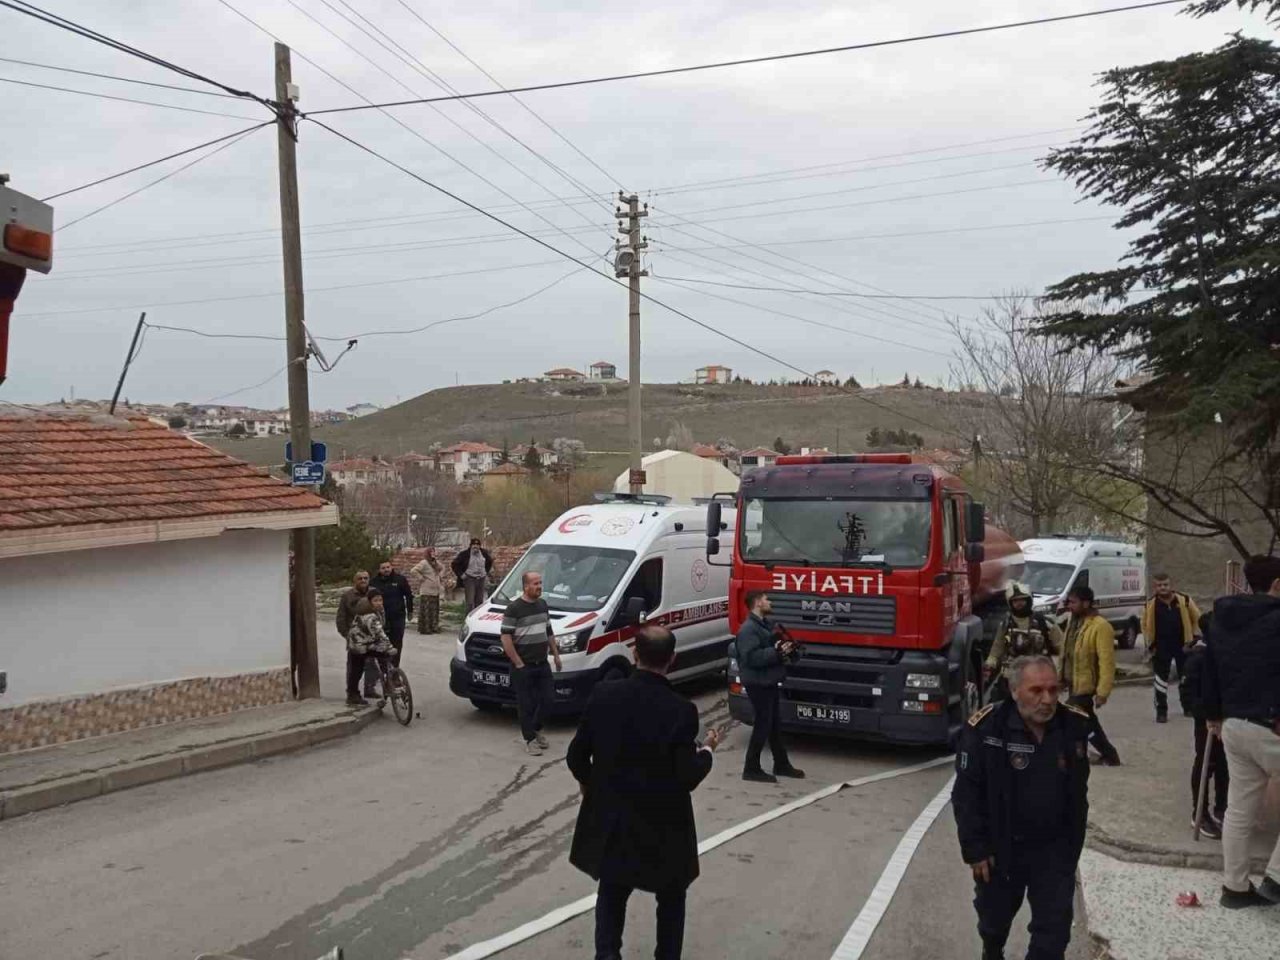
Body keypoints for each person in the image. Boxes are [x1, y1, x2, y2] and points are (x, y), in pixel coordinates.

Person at [567, 624, 722, 960]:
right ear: (672, 659)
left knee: (612, 890)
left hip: (614, 818)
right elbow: (687, 775)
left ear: (634, 654)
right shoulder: (681, 710)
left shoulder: (604, 695)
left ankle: (607, 955)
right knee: (671, 896)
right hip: (664, 822)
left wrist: (593, 788)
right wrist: (707, 752)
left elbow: (576, 756)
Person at [953, 656, 1092, 960]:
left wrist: (1071, 851)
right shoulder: (986, 729)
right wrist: (975, 849)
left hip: (1054, 849)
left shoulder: (1074, 725)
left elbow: (1078, 793)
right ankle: (992, 950)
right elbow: (966, 794)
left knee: (1054, 932)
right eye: (1037, 690)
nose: (1048, 699)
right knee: (994, 919)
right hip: (1001, 848)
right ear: (1015, 690)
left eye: (1053, 690)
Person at [1203, 554, 1280, 909]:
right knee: (1240, 808)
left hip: (1233, 725)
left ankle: (1234, 888)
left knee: (1239, 809)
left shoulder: (1221, 620)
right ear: (1277, 584)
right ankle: (1276, 879)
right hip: (1271, 724)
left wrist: (1213, 716)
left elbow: (1209, 669)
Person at [735, 590, 805, 783]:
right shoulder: (749, 629)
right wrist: (776, 652)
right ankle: (751, 768)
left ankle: (781, 764)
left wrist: (784, 649)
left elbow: (768, 648)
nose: (770, 602)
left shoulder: (763, 625)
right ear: (758, 603)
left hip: (768, 680)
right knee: (763, 724)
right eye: (766, 599)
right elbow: (751, 657)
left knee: (773, 725)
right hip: (758, 683)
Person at [500, 570, 562, 756]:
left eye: (540, 583)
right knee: (526, 704)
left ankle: (536, 729)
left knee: (549, 699)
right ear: (525, 586)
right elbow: (506, 638)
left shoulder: (542, 605)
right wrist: (518, 663)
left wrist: (556, 655)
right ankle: (529, 739)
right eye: (535, 583)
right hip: (523, 665)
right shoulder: (514, 609)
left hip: (541, 663)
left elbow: (549, 631)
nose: (539, 587)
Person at [1060, 585, 1121, 766]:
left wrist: (1103, 692)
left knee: (1072, 716)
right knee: (1086, 722)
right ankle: (1108, 754)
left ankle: (1081, 753)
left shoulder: (1101, 626)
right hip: (1074, 683)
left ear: (1086, 603)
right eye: (1068, 602)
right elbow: (1066, 652)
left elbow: (1107, 662)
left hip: (1086, 685)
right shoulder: (1073, 622)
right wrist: (1060, 678)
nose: (1069, 606)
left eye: (1073, 602)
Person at [1183, 612, 1228, 840]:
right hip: (1207, 722)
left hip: (1226, 718)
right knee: (1205, 763)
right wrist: (1207, 715)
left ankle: (1222, 808)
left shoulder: (1222, 653)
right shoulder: (1198, 658)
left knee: (1224, 765)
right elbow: (1189, 696)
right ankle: (1199, 812)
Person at [984, 582, 1063, 702]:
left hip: (1038, 677)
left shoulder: (1044, 623)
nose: (1019, 603)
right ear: (1010, 603)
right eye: (1015, 601)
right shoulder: (1006, 625)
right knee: (1001, 709)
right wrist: (989, 666)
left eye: (1022, 600)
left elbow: (1062, 648)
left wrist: (1061, 674)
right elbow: (996, 649)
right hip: (1011, 678)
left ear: (1028, 600)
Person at [1141, 574, 1203, 722]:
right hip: (1161, 646)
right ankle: (1161, 711)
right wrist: (1150, 644)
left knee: (1185, 677)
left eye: (1165, 585)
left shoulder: (1184, 600)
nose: (1163, 588)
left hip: (1183, 646)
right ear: (1155, 587)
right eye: (1159, 585)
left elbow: (1198, 618)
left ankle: (1188, 707)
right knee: (1160, 680)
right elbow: (1144, 625)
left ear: (1171, 585)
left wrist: (1194, 639)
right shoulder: (1150, 605)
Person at [345, 590, 398, 706]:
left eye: (380, 600)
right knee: (357, 670)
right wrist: (389, 647)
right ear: (369, 602)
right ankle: (352, 695)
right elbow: (380, 633)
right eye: (375, 601)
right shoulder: (369, 615)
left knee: (384, 657)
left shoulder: (378, 611)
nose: (379, 603)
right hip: (358, 644)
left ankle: (387, 681)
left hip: (368, 641)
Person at [336, 570, 373, 704]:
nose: (363, 581)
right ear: (354, 581)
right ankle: (352, 694)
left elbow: (381, 611)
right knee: (355, 667)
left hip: (373, 634)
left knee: (376, 664)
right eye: (360, 578)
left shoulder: (374, 593)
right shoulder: (348, 596)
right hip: (356, 637)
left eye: (366, 578)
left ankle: (371, 688)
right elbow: (341, 618)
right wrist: (347, 635)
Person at [452, 537, 494, 613]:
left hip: (481, 579)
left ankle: (477, 616)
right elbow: (454, 564)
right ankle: (468, 616)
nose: (476, 546)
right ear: (471, 545)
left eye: (477, 545)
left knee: (479, 601)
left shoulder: (484, 553)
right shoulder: (465, 554)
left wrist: (486, 572)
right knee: (470, 601)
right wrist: (461, 575)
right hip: (469, 579)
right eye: (474, 544)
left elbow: (489, 562)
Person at [411, 548, 445, 634]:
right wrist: (420, 578)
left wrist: (440, 575)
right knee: (426, 610)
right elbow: (413, 570)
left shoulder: (436, 563)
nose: (433, 554)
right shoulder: (424, 562)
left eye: (434, 552)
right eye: (431, 552)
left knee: (434, 610)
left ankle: (434, 627)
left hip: (435, 590)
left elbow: (442, 568)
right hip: (426, 590)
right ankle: (425, 628)